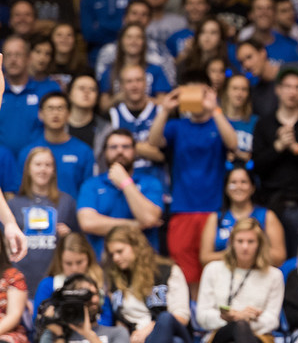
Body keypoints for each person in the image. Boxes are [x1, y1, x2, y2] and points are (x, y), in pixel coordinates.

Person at [148, 83, 238, 294]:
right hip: (182, 207)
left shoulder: (218, 123)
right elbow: (153, 141)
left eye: (202, 93)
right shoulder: (177, 126)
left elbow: (233, 143)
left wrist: (215, 108)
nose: (198, 98)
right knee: (183, 268)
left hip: (213, 208)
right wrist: (166, 109)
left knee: (211, 268)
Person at [251, 67, 298, 256]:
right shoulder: (264, 124)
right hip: (272, 204)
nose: (292, 92)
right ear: (278, 89)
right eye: (287, 87)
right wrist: (278, 147)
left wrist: (296, 148)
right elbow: (257, 165)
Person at [76, 130, 164, 258]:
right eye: (113, 147)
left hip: (145, 263)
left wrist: (126, 183)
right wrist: (136, 225)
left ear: (135, 151)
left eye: (125, 147)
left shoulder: (150, 183)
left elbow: (149, 218)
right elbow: (88, 223)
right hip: (102, 265)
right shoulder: (91, 185)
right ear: (105, 152)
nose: (119, 151)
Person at [8, 147, 78, 298]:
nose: (43, 169)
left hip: (56, 281)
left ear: (54, 170)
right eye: (38, 164)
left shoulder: (67, 202)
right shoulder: (13, 205)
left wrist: (69, 236)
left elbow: (79, 243)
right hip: (21, 282)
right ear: (28, 169)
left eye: (48, 165)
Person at [200, 167, 286, 268]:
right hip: (225, 275)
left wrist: (248, 255)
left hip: (259, 274)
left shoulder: (267, 216)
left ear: (252, 187)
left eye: (244, 182)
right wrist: (236, 254)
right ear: (226, 188)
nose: (238, 186)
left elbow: (279, 256)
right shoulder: (215, 218)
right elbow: (205, 258)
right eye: (233, 182)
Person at [17, 91, 94, 199]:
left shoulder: (84, 151)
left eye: (60, 108)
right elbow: (21, 190)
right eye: (50, 108)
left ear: (69, 114)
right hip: (35, 213)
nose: (55, 113)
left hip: (71, 213)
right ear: (40, 114)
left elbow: (88, 193)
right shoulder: (28, 152)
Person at [0, 35, 61, 155]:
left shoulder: (49, 89)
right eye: (8, 55)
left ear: (28, 58)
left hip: (37, 160)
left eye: (18, 55)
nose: (13, 60)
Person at [106, 64, 165, 182]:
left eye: (139, 80)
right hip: (121, 182)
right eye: (129, 81)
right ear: (121, 86)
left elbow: (164, 155)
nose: (134, 85)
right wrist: (148, 148)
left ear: (146, 83)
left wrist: (126, 148)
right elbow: (108, 155)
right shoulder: (111, 114)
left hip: (156, 183)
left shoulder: (161, 112)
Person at [33, 233, 107, 322]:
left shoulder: (99, 282)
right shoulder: (48, 285)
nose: (74, 269)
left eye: (79, 262)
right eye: (68, 263)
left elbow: (107, 322)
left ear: (89, 258)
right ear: (60, 262)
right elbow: (37, 322)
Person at [98, 24, 173, 112]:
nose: (134, 41)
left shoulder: (156, 70)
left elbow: (165, 104)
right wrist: (117, 99)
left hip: (150, 120)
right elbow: (103, 107)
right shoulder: (110, 72)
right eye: (129, 37)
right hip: (118, 121)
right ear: (121, 42)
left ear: (144, 42)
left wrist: (143, 100)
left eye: (138, 37)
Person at [239, 0, 298, 68]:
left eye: (269, 8)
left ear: (274, 14)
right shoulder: (242, 48)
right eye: (259, 8)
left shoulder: (291, 45)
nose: (264, 12)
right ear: (251, 15)